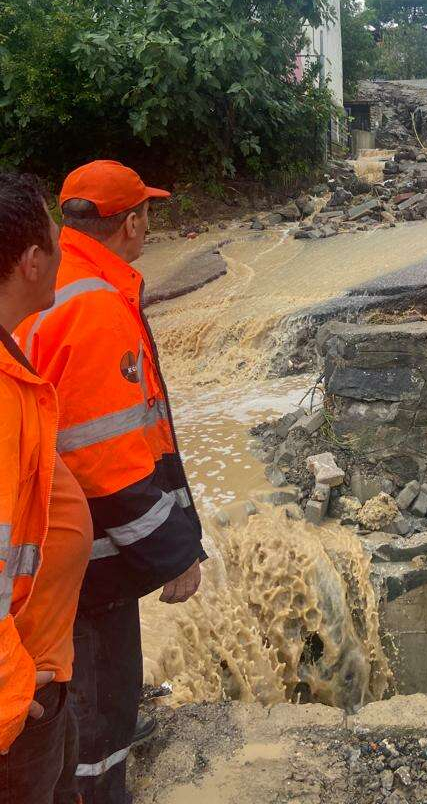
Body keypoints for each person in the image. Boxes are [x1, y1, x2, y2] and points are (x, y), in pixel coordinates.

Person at [17, 160, 205, 804]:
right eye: (147, 212)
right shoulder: (96, 306)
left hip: (46, 555)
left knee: (76, 694)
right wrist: (173, 553)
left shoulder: (56, 282)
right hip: (91, 564)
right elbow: (105, 458)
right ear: (131, 223)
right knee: (99, 706)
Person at [0, 173, 92, 804]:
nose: (65, 254)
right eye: (57, 245)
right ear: (33, 263)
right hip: (17, 705)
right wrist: (13, 690)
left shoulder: (13, 360)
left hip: (44, 678)